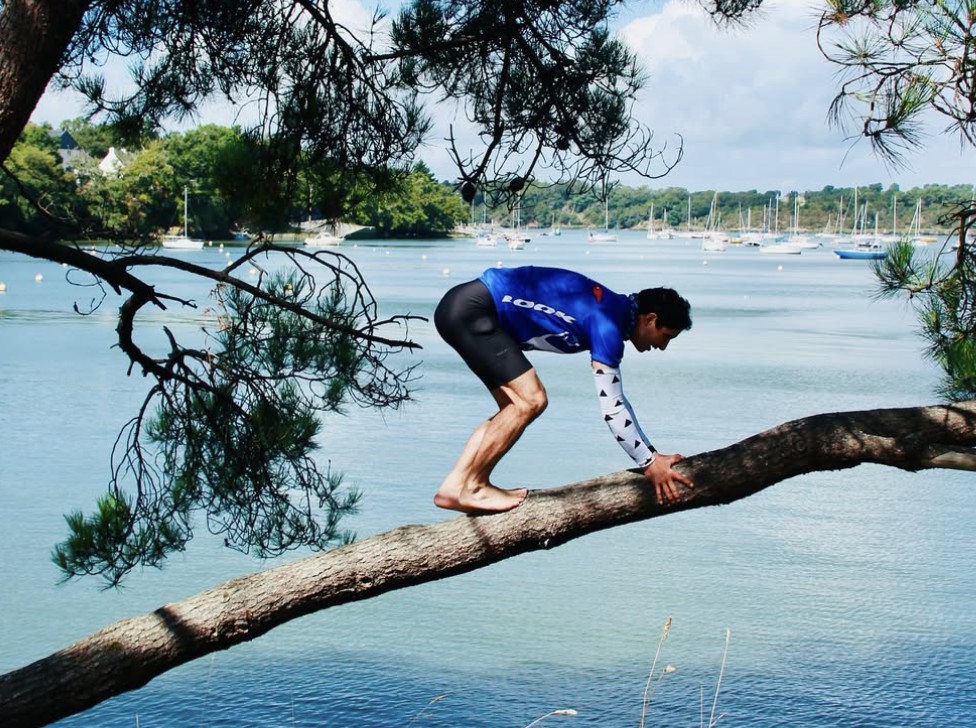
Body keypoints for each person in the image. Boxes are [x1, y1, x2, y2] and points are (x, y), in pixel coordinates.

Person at [433, 265, 693, 514]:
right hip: (474, 310)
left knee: (515, 407)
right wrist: (649, 465)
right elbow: (612, 408)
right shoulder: (607, 324)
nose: (663, 347)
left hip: (464, 307)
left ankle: (456, 486)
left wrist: (651, 455)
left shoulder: (611, 312)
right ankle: (473, 486)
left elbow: (617, 399)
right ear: (650, 319)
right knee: (531, 400)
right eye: (666, 337)